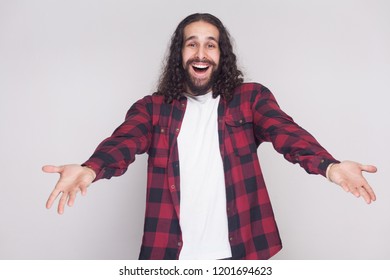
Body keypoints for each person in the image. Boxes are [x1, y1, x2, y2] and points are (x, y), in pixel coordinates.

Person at [43, 13, 377, 260]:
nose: (201, 53)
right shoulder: (153, 109)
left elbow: (285, 132)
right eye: (192, 44)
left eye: (210, 45)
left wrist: (330, 167)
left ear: (221, 55)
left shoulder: (249, 99)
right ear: (180, 55)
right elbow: (124, 141)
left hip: (243, 253)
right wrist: (89, 169)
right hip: (170, 257)